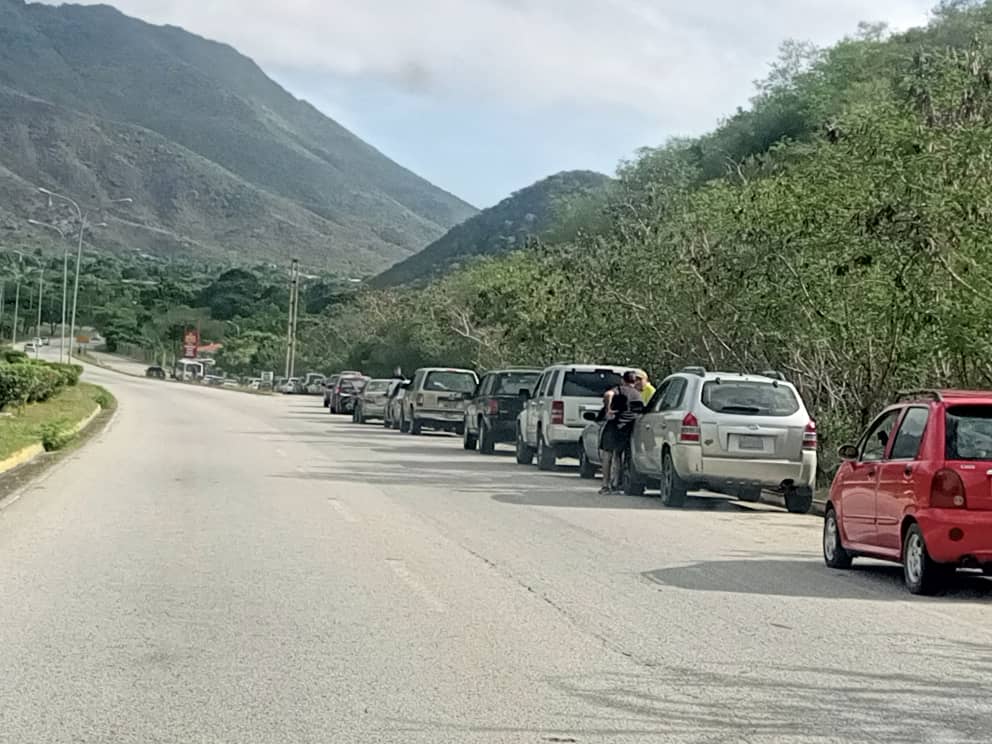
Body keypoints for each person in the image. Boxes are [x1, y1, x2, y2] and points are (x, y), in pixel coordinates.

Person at [598, 370, 644, 494]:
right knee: (619, 455)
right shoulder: (638, 394)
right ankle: (616, 483)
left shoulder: (620, 389)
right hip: (628, 428)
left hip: (615, 425)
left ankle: (605, 485)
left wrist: (608, 410)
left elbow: (608, 394)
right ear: (635, 381)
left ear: (623, 380)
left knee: (607, 455)